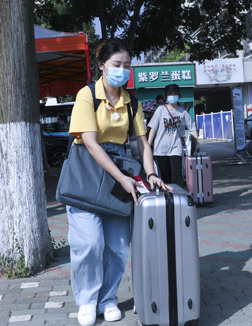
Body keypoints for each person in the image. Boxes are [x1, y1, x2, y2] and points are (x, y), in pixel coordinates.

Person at [67, 38, 169, 326]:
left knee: (118, 245)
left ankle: (108, 299)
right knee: (89, 243)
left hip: (118, 174)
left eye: (127, 65)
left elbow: (142, 143)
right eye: (116, 64)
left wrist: (151, 174)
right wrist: (122, 178)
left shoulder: (132, 102)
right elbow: (90, 142)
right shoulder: (87, 95)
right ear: (101, 66)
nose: (122, 70)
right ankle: (87, 301)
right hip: (87, 173)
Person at [147, 84, 198, 188]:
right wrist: (148, 144)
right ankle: (168, 195)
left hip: (176, 147)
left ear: (179, 96)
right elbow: (153, 128)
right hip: (160, 148)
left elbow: (192, 128)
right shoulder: (161, 110)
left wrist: (197, 142)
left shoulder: (183, 112)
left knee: (177, 174)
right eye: (170, 94)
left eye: (175, 94)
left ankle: (180, 194)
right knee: (165, 175)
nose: (173, 96)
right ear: (166, 97)